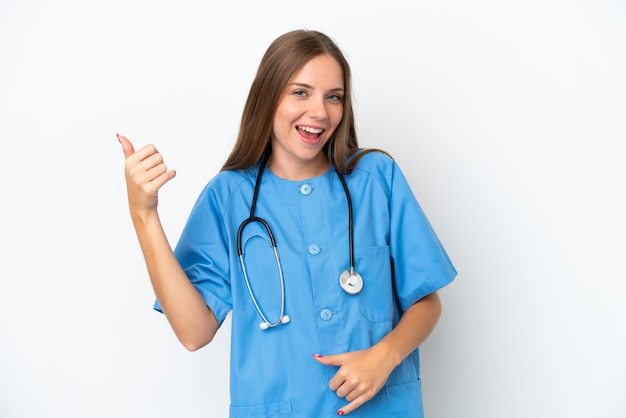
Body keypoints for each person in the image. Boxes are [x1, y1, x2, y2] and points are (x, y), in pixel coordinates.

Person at [118, 29, 456, 417]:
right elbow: (194, 333)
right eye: (301, 92)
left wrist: (385, 355)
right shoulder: (229, 197)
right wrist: (143, 215)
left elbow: (426, 300)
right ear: (269, 96)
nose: (320, 112)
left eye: (334, 97)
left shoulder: (376, 178)